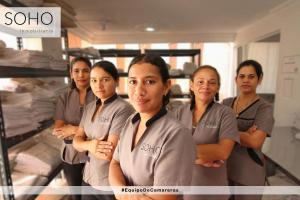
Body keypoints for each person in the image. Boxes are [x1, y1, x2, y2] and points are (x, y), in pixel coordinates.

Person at [109, 54, 196, 200]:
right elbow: (114, 163)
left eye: (149, 82)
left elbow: (164, 196)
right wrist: (122, 193)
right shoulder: (131, 121)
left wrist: (122, 194)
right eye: (133, 82)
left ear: (166, 86)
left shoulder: (176, 134)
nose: (139, 91)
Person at [173, 65, 239, 200]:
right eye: (200, 81)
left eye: (212, 82)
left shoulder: (226, 113)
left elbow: (223, 151)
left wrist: (183, 153)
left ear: (218, 87)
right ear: (191, 85)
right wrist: (201, 158)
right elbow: (169, 149)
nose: (206, 86)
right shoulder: (180, 112)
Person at [73, 60, 134, 200]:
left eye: (105, 80)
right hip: (88, 178)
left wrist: (84, 143)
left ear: (116, 81)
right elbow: (76, 141)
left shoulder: (123, 109)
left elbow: (108, 153)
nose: (98, 85)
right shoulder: (89, 108)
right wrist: (90, 145)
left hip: (108, 184)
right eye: (94, 80)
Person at [222, 60, 274, 200]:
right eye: (242, 76)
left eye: (251, 77)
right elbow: (214, 133)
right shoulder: (226, 104)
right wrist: (244, 134)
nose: (246, 80)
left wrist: (226, 131)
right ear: (236, 79)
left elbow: (255, 142)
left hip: (249, 171)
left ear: (260, 79)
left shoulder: (264, 108)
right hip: (224, 170)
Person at [53, 56, 95, 200]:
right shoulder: (64, 98)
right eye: (76, 71)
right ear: (71, 74)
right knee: (77, 196)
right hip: (70, 156)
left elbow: (104, 130)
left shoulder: (99, 96)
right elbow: (59, 129)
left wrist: (71, 129)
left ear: (91, 73)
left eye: (85, 71)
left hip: (94, 154)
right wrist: (86, 131)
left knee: (95, 196)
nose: (81, 75)